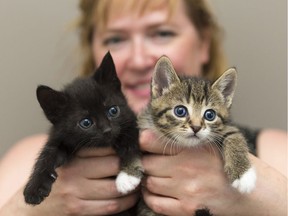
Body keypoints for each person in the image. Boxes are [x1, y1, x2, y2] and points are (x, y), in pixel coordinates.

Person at [0, 0, 286, 215]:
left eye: (161, 33)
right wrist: (36, 208)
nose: (139, 60)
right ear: (95, 51)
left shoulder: (274, 151)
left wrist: (261, 196)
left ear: (204, 43)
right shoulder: (28, 157)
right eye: (116, 39)